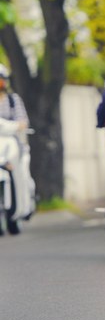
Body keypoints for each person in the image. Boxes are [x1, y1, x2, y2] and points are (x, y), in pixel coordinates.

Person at [0, 64, 35, 235]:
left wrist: (15, 126)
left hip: (13, 145)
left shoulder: (13, 100)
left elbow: (22, 122)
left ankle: (22, 206)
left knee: (20, 170)